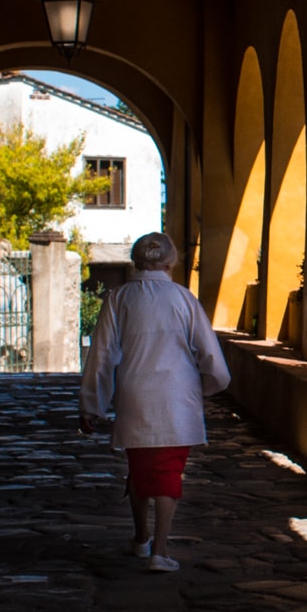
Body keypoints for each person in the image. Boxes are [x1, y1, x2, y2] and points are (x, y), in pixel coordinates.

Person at [78, 230, 230, 572]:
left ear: (137, 261)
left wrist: (92, 405)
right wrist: (206, 387)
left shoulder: (118, 298)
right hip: (177, 398)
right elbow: (210, 355)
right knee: (168, 472)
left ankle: (142, 537)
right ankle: (160, 551)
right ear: (170, 262)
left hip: (134, 395)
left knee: (140, 469)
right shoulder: (183, 298)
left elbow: (101, 356)